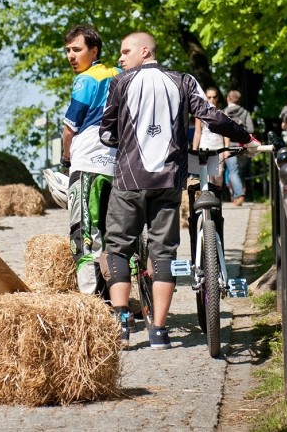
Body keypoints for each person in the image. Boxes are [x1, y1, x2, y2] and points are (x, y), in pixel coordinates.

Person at [98, 32, 259, 349]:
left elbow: (106, 132)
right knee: (164, 253)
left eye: (125, 51)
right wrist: (245, 138)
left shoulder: (120, 84)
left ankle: (121, 323)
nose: (120, 57)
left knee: (117, 247)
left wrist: (122, 141)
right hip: (169, 181)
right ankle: (159, 331)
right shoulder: (183, 80)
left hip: (130, 180)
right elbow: (212, 116)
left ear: (145, 51)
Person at [60, 25, 122, 301]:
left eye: (76, 49)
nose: (71, 56)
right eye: (68, 50)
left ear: (93, 51)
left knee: (84, 231)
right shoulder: (120, 75)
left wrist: (65, 157)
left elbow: (69, 129)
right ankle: (122, 295)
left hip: (87, 162)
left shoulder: (86, 80)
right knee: (116, 234)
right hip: (118, 163)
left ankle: (89, 299)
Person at [187, 86, 228, 261]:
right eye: (208, 97)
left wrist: (226, 151)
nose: (211, 100)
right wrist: (193, 151)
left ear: (218, 98)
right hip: (204, 148)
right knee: (201, 184)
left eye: (214, 97)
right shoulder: (200, 114)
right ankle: (203, 213)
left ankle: (216, 213)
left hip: (217, 149)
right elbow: (197, 132)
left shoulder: (221, 113)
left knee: (217, 184)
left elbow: (226, 132)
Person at [223, 90, 254, 206]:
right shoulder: (245, 113)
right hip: (243, 145)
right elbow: (250, 129)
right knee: (240, 171)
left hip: (230, 146)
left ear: (228, 99)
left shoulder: (224, 113)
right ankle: (237, 194)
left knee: (232, 171)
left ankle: (238, 194)